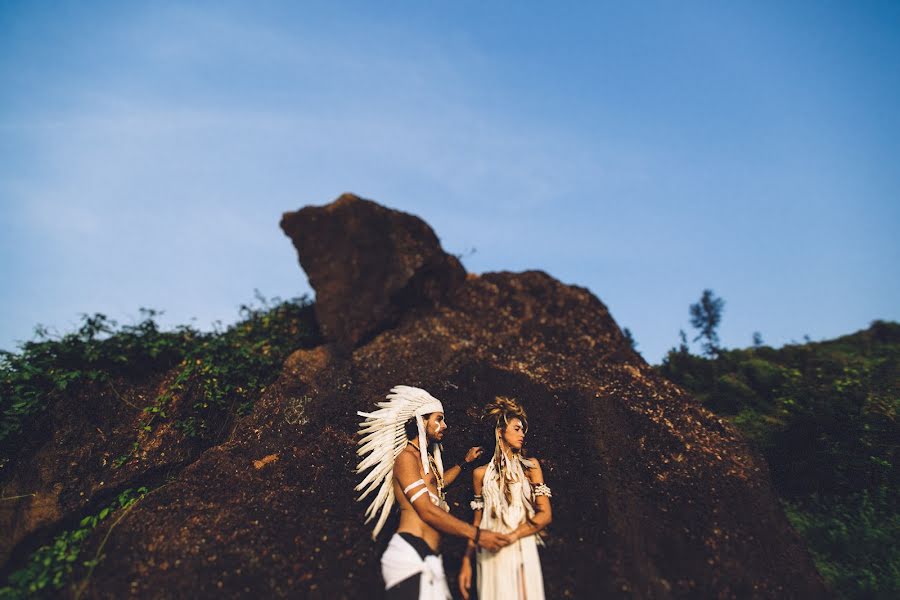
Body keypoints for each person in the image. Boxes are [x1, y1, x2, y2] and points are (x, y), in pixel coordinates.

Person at [356, 385, 513, 599]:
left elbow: (436, 486)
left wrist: (463, 463)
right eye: (439, 419)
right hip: (411, 557)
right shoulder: (405, 459)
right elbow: (426, 510)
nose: (444, 425)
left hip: (428, 558)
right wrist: (476, 535)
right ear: (421, 421)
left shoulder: (424, 459)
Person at [458, 396, 553, 600]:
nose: (522, 435)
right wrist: (467, 562)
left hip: (521, 544)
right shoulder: (480, 475)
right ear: (500, 432)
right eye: (517, 429)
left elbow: (545, 515)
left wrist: (513, 536)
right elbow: (477, 522)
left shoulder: (530, 467)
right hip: (490, 549)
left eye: (523, 430)